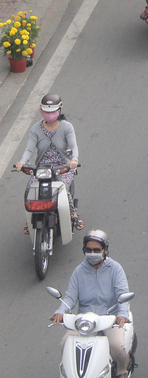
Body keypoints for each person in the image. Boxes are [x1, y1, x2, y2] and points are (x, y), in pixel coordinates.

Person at [52, 230, 131, 378]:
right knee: (64, 343)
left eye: (96, 250)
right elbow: (70, 297)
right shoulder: (79, 271)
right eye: (89, 250)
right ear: (84, 251)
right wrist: (60, 311)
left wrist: (122, 315)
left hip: (109, 320)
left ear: (105, 250)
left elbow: (122, 296)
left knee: (117, 346)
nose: (92, 253)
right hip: (84, 322)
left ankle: (121, 372)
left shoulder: (115, 269)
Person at [17, 92, 82, 232]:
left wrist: (74, 160)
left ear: (59, 111)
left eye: (52, 111)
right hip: (42, 168)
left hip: (62, 166)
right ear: (41, 111)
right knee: (30, 189)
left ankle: (73, 215)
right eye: (46, 111)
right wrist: (22, 162)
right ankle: (29, 220)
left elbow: (73, 146)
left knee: (63, 189)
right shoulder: (35, 129)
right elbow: (29, 149)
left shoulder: (67, 127)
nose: (50, 114)